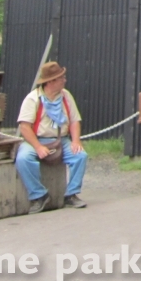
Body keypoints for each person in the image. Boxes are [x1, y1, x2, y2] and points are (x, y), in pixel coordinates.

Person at [15, 61, 88, 213]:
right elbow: (24, 127)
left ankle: (71, 195)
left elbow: (75, 121)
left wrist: (76, 141)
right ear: (51, 81)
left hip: (61, 139)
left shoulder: (66, 96)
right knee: (23, 159)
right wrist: (38, 147)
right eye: (61, 78)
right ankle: (39, 195)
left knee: (80, 156)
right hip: (37, 139)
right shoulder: (33, 98)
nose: (65, 80)